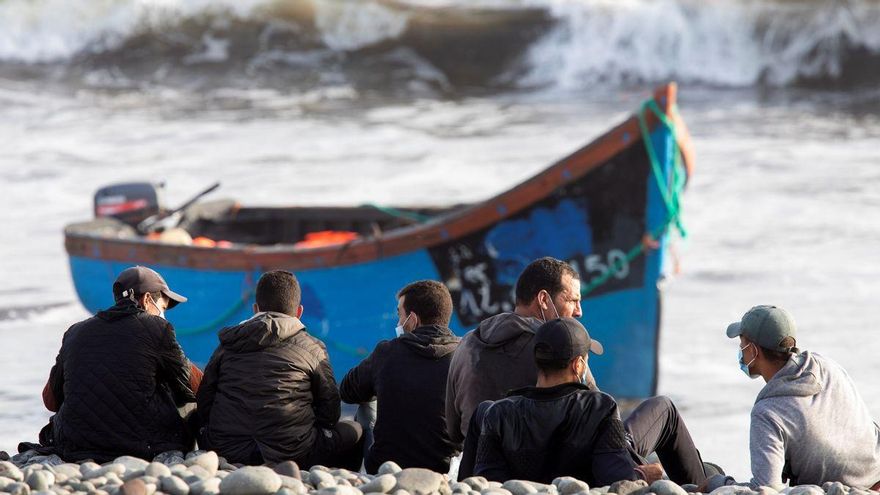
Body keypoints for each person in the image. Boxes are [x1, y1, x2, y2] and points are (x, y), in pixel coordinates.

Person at [471, 317, 711, 485]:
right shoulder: (599, 408)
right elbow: (618, 479)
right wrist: (646, 476)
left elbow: (486, 483)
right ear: (578, 365)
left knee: (483, 410)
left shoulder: (499, 414)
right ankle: (701, 486)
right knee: (664, 407)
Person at [196, 270, 363, 469]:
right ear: (299, 312)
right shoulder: (313, 348)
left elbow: (204, 401)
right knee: (355, 429)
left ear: (255, 308)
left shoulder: (227, 344)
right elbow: (330, 412)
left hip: (226, 450)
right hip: (294, 453)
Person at [44, 266, 197, 462]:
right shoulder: (158, 327)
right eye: (164, 307)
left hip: (75, 445)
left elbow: (51, 401)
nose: (164, 315)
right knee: (190, 400)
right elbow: (191, 389)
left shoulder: (76, 331)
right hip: (141, 446)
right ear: (148, 300)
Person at [722, 305, 880, 491]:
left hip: (840, 490)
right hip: (875, 475)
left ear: (754, 351)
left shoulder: (767, 413)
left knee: (710, 472)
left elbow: (767, 488)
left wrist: (718, 483)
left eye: (742, 344)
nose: (740, 350)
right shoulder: (828, 367)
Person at [446, 257, 583, 446]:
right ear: (544, 300)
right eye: (573, 301)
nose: (579, 312)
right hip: (541, 468)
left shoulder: (467, 343)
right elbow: (596, 418)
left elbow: (453, 431)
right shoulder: (561, 345)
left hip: (477, 466)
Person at [340, 280, 461, 473]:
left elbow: (347, 391)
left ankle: (352, 477)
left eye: (399, 315)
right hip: (445, 469)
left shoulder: (386, 352)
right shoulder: (464, 355)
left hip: (385, 466)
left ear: (412, 319)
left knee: (368, 401)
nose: (398, 323)